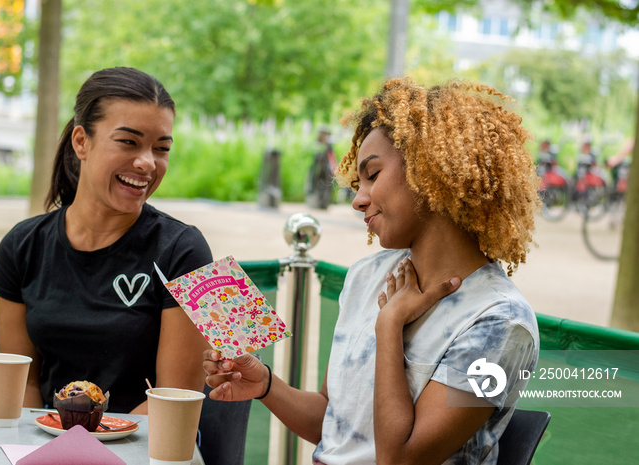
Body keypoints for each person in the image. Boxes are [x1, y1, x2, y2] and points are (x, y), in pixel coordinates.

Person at [203, 77, 540, 464]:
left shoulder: (500, 323)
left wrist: (389, 326)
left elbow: (398, 460)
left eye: (373, 174)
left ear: (430, 172)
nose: (358, 200)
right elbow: (337, 427)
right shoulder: (367, 277)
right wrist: (264, 384)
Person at [0, 67, 212, 414]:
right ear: (82, 141)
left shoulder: (185, 249)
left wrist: (85, 447)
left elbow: (174, 400)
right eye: (128, 142)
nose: (147, 162)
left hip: (148, 445)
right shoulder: (21, 244)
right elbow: (25, 383)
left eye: (161, 148)